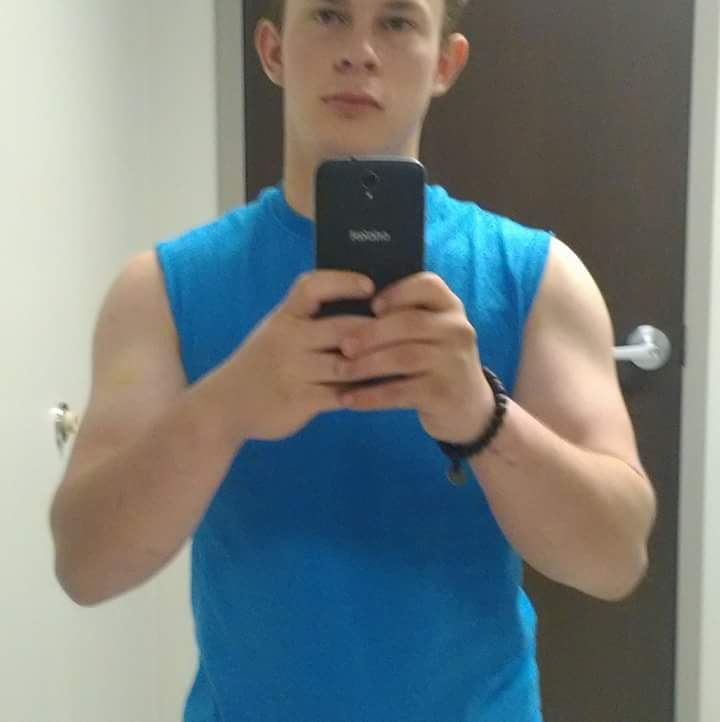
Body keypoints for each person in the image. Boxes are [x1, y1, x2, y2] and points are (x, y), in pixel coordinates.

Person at [49, 1, 657, 720]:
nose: (359, 51)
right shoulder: (161, 291)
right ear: (273, 51)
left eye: (397, 22)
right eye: (330, 15)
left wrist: (482, 418)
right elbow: (84, 564)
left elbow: (617, 559)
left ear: (445, 63)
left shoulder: (537, 279)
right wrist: (226, 406)